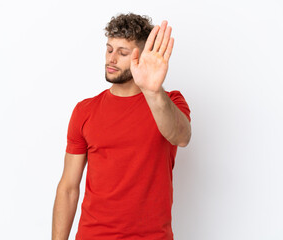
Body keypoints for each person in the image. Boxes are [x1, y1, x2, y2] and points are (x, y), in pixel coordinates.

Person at [52, 13, 192, 240]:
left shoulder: (170, 102)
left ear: (143, 56)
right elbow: (68, 187)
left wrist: (154, 92)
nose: (112, 59)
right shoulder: (85, 111)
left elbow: (181, 137)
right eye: (109, 50)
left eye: (122, 52)